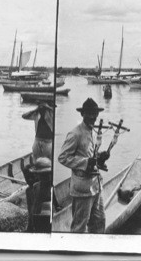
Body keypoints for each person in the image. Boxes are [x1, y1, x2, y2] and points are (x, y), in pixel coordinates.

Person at [58, 98, 110, 233]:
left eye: (95, 113)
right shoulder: (75, 133)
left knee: (99, 223)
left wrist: (100, 158)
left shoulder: (93, 132)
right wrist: (85, 162)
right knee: (79, 227)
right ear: (83, 114)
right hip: (82, 190)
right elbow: (63, 157)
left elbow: (92, 156)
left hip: (96, 187)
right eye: (89, 113)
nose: (93, 117)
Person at [21, 101, 54, 232]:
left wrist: (48, 109)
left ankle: (44, 182)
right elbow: (24, 116)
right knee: (36, 166)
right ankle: (37, 181)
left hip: (49, 143)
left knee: (47, 166)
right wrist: (36, 110)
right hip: (38, 142)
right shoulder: (36, 114)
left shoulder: (51, 113)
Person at [29, 157, 52, 233]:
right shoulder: (36, 187)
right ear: (37, 175)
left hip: (49, 220)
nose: (47, 177)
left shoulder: (52, 188)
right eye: (43, 175)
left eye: (48, 174)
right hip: (38, 220)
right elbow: (34, 206)